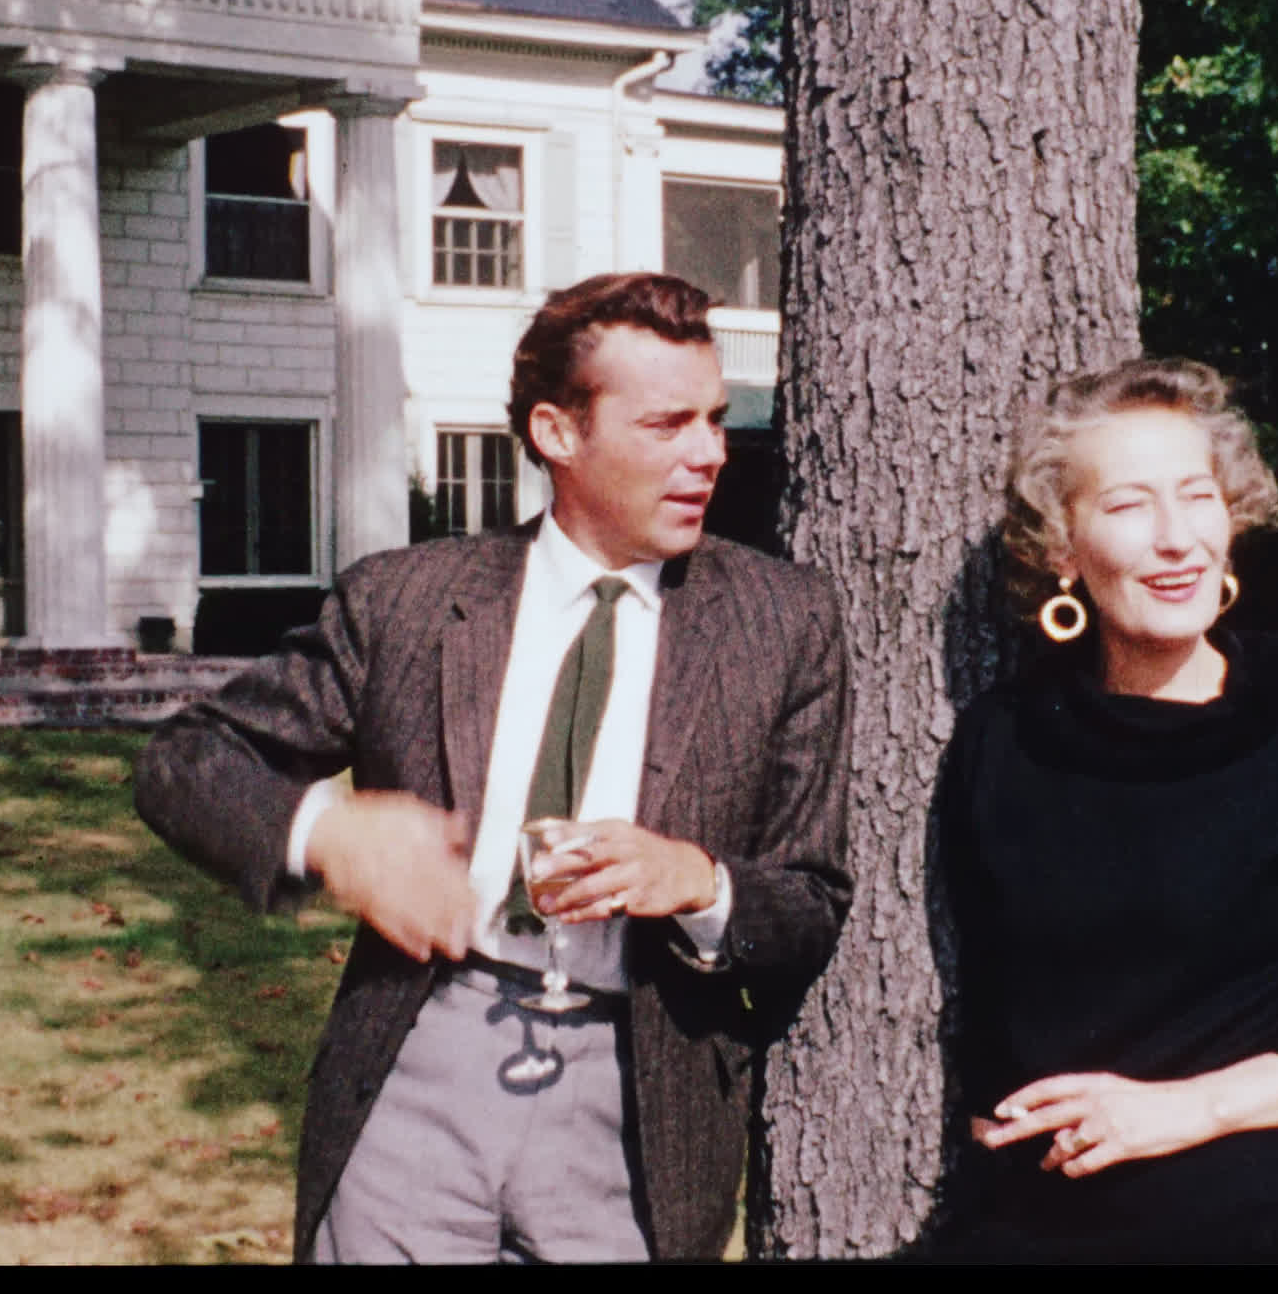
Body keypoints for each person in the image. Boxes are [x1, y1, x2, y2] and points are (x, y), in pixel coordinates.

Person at [135, 273, 851, 1263]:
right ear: (557, 433)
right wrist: (329, 833)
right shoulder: (408, 602)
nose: (708, 452)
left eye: (715, 420)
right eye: (666, 424)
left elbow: (811, 902)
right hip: (419, 1066)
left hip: (638, 1100)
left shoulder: (784, 622)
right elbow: (184, 763)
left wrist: (695, 882)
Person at [937, 356, 1278, 1262]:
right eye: (1130, 506)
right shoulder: (1005, 741)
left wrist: (1177, 1111)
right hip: (1046, 1222)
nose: (1177, 539)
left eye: (1197, 496)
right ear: (1063, 546)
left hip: (1269, 1214)